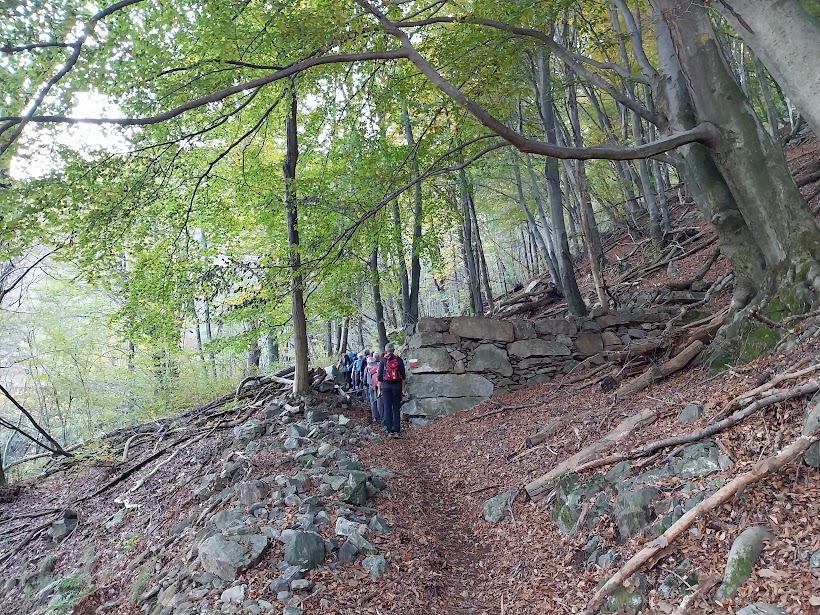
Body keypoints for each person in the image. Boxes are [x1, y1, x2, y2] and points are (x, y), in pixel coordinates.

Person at [377, 343, 406, 438]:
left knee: (387, 408)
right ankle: (397, 430)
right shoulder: (399, 360)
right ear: (394, 350)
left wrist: (379, 390)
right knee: (396, 409)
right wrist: (403, 389)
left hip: (386, 388)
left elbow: (379, 377)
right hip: (397, 387)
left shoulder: (383, 361)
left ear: (386, 350)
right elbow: (403, 377)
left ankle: (390, 431)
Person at [367, 352, 382, 424]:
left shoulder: (368, 367)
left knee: (373, 400)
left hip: (371, 385)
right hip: (378, 384)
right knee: (379, 401)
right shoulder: (380, 365)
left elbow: (365, 379)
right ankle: (381, 416)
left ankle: (375, 417)